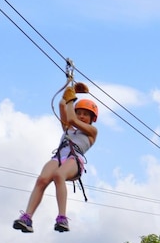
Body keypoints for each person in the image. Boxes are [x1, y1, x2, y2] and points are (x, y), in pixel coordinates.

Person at [13, 83, 98, 233]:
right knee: (42, 180)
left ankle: (62, 218)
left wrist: (72, 98)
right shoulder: (68, 128)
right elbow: (61, 105)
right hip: (59, 156)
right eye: (79, 113)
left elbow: (71, 118)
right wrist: (69, 91)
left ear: (92, 118)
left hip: (74, 159)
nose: (81, 116)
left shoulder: (92, 131)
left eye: (86, 114)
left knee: (59, 175)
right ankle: (27, 218)